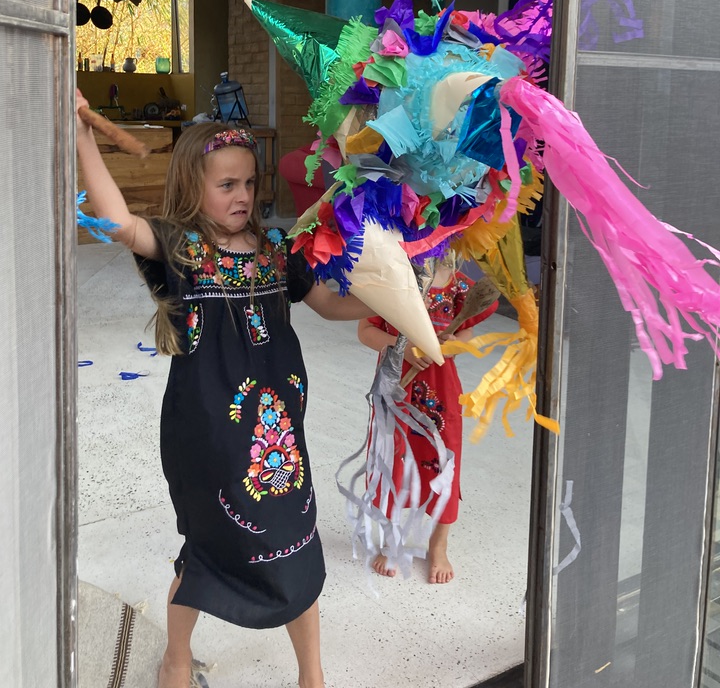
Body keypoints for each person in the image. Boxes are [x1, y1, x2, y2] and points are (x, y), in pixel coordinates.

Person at [76, 91, 373, 688]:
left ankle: (311, 674)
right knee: (207, 550)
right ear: (194, 186)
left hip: (278, 440)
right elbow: (116, 223)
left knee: (296, 542)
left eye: (250, 183)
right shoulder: (183, 250)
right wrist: (80, 134)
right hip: (209, 438)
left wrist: (393, 304)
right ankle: (176, 658)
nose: (243, 196)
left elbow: (328, 304)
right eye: (227, 185)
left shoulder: (277, 251)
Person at [357, 255, 498, 585]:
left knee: (444, 460)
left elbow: (466, 334)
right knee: (391, 459)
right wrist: (401, 349)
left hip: (441, 391)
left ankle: (438, 545)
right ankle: (391, 540)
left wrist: (448, 346)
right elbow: (365, 331)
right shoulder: (389, 277)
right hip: (395, 387)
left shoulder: (460, 287)